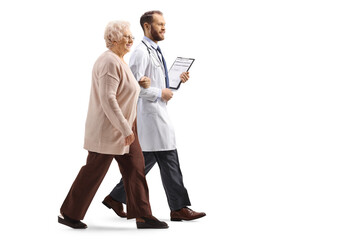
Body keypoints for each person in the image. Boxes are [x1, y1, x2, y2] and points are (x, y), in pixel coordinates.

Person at [58, 20, 168, 229]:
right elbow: (109, 99)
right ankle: (69, 213)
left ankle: (143, 215)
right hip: (109, 130)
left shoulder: (118, 60)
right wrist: (125, 129)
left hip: (126, 127)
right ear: (114, 38)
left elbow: (123, 90)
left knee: (136, 169)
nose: (131, 40)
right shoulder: (108, 61)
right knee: (93, 171)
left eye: (131, 37)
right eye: (126, 36)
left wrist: (140, 84)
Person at [102, 11, 206, 221]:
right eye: (160, 24)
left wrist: (175, 82)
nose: (164, 28)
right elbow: (130, 87)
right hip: (149, 117)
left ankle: (115, 197)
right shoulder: (140, 52)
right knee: (168, 158)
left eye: (164, 24)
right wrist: (160, 92)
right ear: (147, 26)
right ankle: (179, 208)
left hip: (157, 115)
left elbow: (155, 83)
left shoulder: (155, 51)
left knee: (146, 161)